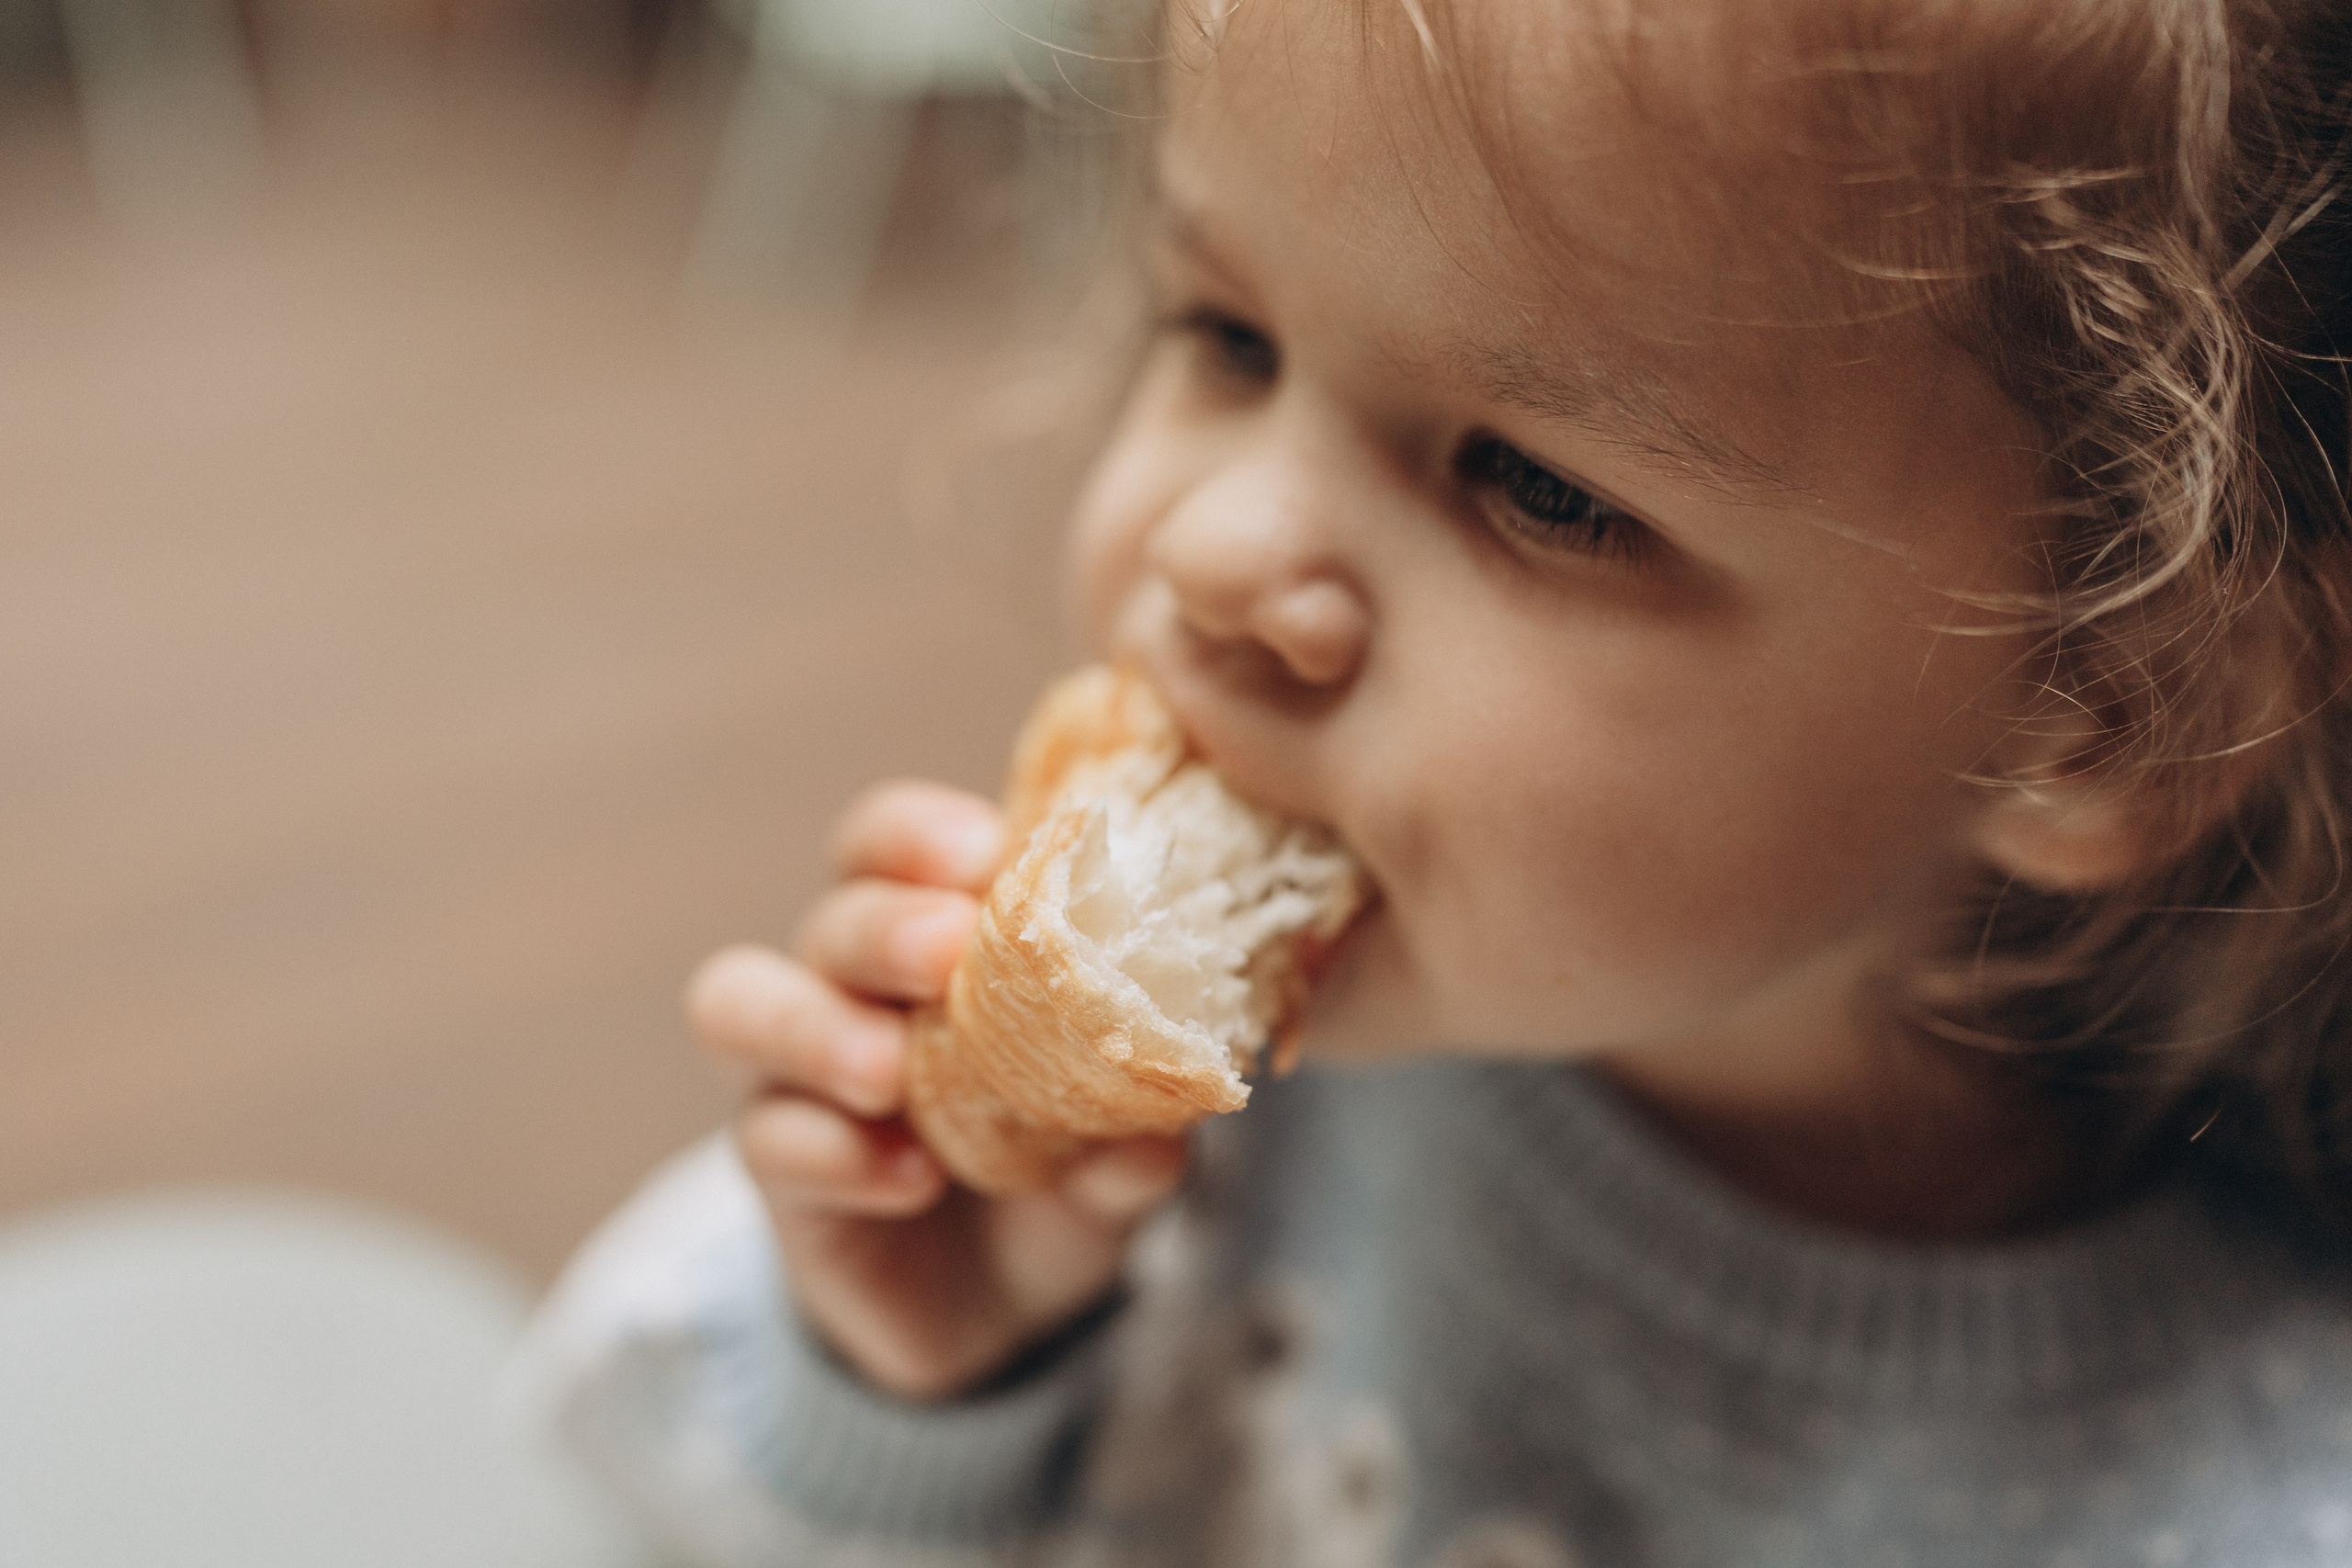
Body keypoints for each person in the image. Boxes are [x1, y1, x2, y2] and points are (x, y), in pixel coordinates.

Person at [512, 1, 2352, 1562]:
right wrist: (917, 1385)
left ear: (2113, 706)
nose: (1216, 547)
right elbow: (605, 1456)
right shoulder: (1192, 1122)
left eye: (1535, 485)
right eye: (1226, 336)